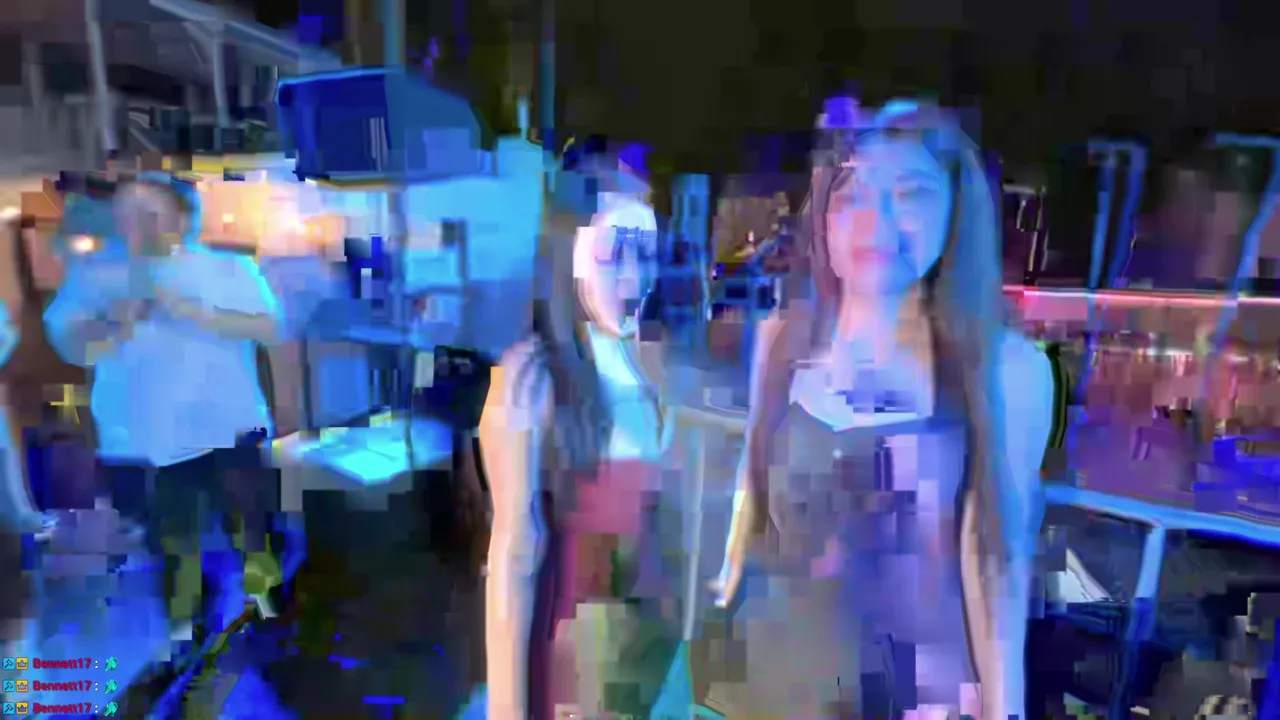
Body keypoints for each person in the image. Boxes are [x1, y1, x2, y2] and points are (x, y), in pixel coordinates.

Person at [709, 100, 1055, 718]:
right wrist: (727, 569)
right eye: (853, 195)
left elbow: (997, 564)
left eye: (911, 194)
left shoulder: (1005, 368)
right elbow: (753, 479)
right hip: (762, 679)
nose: (877, 220)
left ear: (956, 210)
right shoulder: (783, 337)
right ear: (825, 213)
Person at [479, 147, 678, 720]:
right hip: (578, 683)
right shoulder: (530, 378)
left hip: (651, 666)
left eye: (646, 253)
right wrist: (506, 712)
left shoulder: (647, 361)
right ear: (568, 251)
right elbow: (513, 562)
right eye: (614, 255)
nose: (635, 278)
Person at [44, 173, 282, 644]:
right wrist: (117, 321)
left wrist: (194, 311)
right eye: (128, 213)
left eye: (151, 212)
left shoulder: (230, 268)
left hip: (230, 426)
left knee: (251, 527)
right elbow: (72, 346)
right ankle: (184, 632)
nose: (139, 224)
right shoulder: (96, 275)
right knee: (174, 544)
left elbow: (269, 328)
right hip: (148, 441)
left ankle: (269, 607)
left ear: (184, 216)